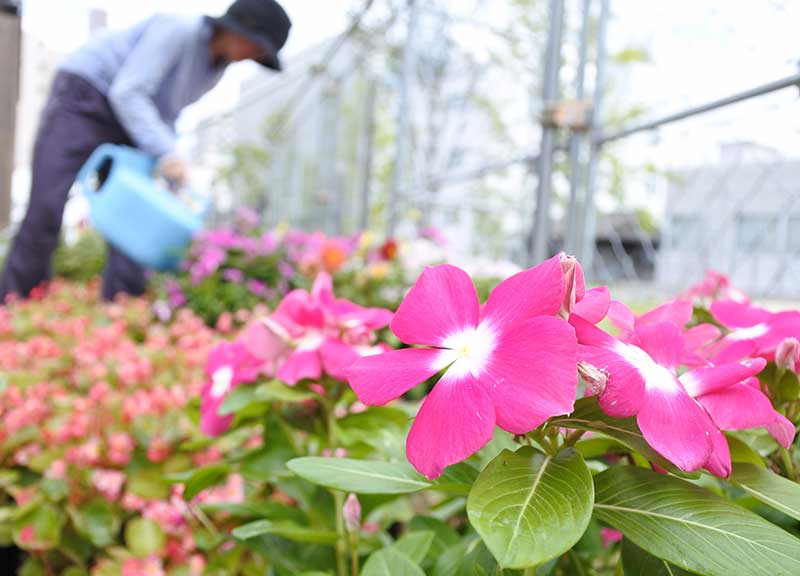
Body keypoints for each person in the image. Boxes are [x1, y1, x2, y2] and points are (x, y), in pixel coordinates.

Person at [0, 0, 291, 302]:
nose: (254, 56)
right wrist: (166, 152)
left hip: (132, 118)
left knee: (135, 216)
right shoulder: (178, 30)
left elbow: (167, 113)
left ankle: (123, 308)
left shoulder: (215, 70)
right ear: (238, 31)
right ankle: (16, 302)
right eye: (257, 48)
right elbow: (128, 91)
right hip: (86, 96)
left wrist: (171, 164)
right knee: (47, 205)